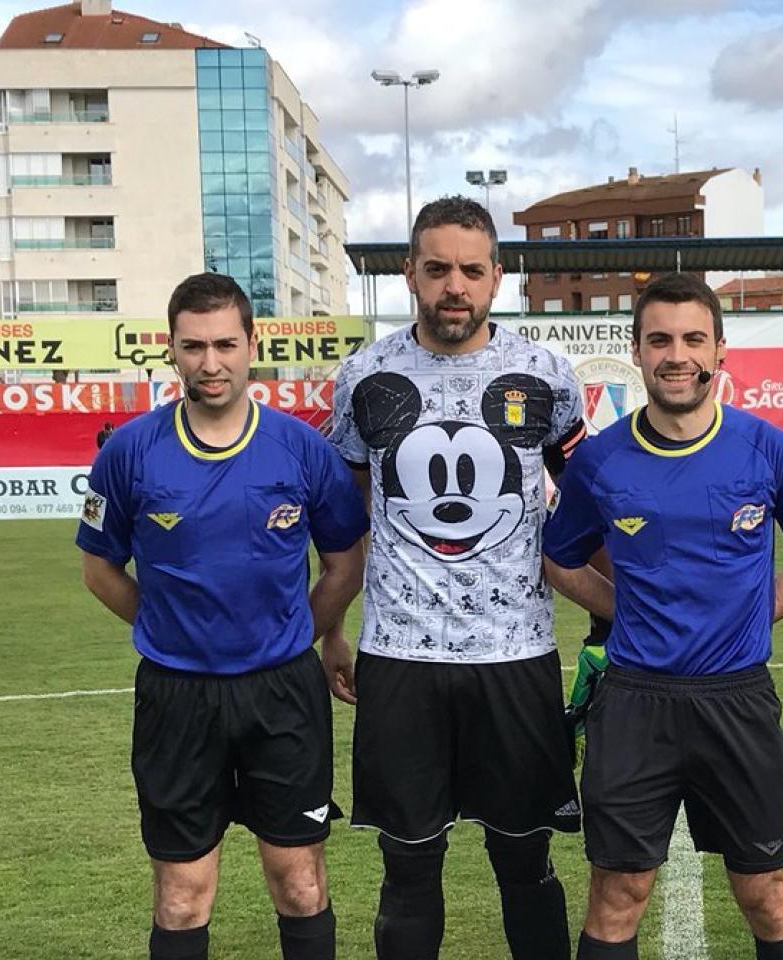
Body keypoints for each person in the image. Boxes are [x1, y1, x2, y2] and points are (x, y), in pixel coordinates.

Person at [542, 272, 783, 960]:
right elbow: (558, 561)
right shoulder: (600, 460)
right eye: (660, 340)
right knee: (618, 894)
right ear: (638, 352)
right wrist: (628, 608)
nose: (677, 354)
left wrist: (750, 619)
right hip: (634, 704)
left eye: (692, 339)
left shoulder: (767, 449)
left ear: (719, 350)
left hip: (737, 701)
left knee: (771, 891)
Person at [77, 273, 369, 960]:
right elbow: (98, 569)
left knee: (298, 883)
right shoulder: (127, 452)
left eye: (225, 345)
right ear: (171, 349)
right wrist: (167, 626)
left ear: (251, 344)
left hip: (283, 693)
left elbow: (343, 565)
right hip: (176, 697)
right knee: (182, 898)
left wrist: (308, 633)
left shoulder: (302, 450)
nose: (211, 364)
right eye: (194, 347)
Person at [325, 196, 588, 960]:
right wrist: (334, 629)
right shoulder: (364, 376)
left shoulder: (544, 375)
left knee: (524, 862)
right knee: (408, 868)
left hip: (515, 657)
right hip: (400, 658)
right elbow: (347, 524)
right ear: (410, 273)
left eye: (472, 270)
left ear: (496, 278)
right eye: (437, 268)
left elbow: (593, 505)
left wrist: (614, 616)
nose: (454, 286)